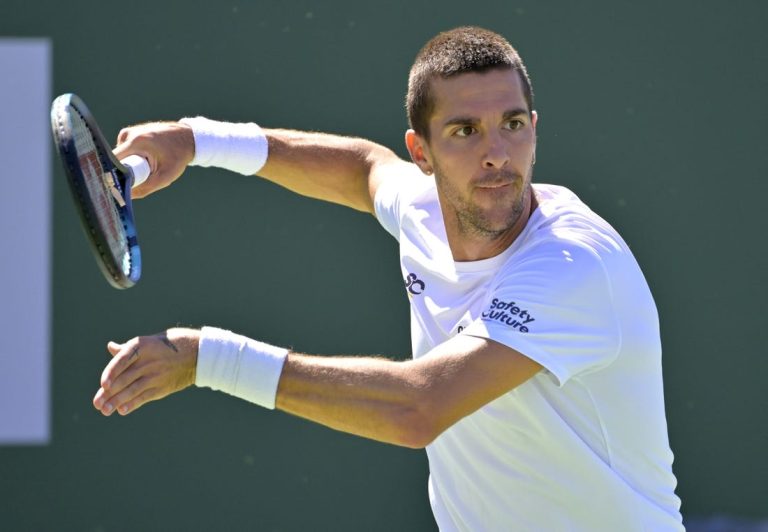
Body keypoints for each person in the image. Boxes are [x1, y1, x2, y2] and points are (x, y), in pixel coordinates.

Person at [92, 26, 684, 531]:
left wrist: (209, 358)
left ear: (534, 128)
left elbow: (418, 406)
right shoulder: (423, 208)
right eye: (465, 131)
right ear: (421, 153)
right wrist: (195, 140)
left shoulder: (573, 264)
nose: (498, 154)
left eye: (512, 124)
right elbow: (363, 168)